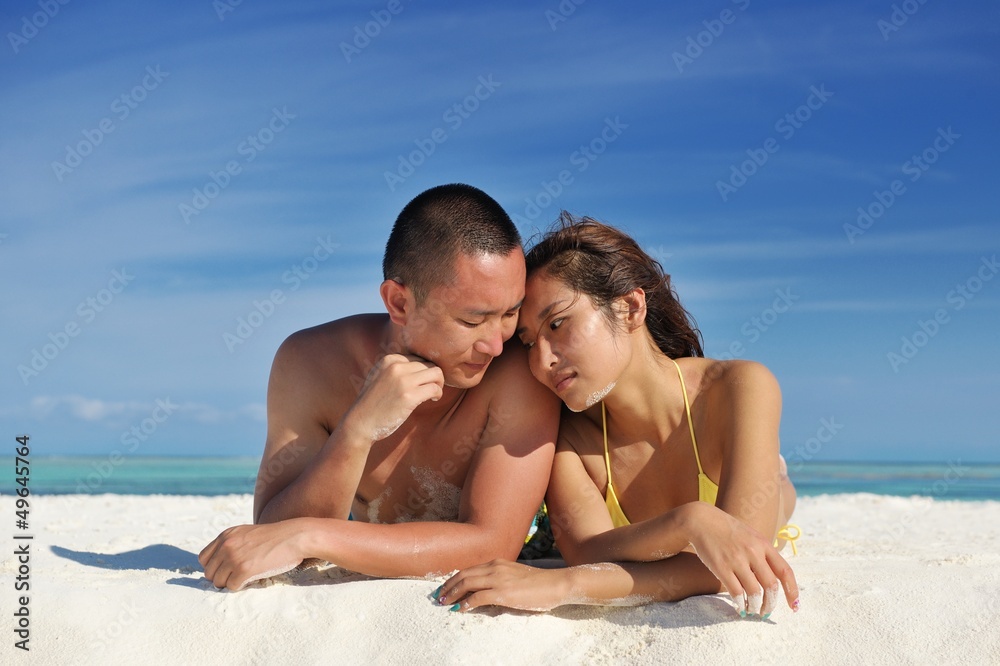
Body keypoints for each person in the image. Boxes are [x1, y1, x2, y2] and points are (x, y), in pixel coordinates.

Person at [434, 213, 800, 619]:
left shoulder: (738, 388)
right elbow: (588, 551)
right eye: (528, 342)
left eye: (557, 323)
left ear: (630, 308)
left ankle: (778, 474)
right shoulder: (570, 440)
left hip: (767, 496)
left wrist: (563, 585)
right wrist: (689, 522)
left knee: (778, 494)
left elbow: (740, 558)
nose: (542, 360)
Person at [199, 184, 560, 590]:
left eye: (510, 313)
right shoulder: (309, 363)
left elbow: (493, 544)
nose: (496, 344)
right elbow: (270, 534)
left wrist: (311, 535)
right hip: (363, 538)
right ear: (400, 303)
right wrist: (358, 431)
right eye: (472, 322)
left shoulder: (518, 369)